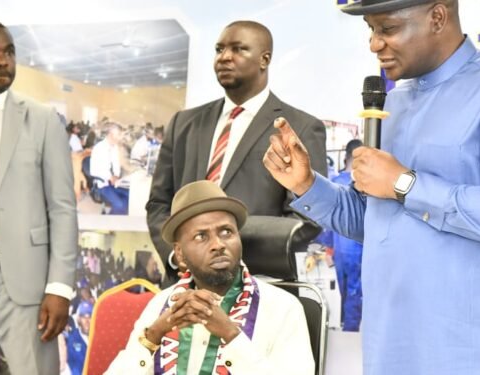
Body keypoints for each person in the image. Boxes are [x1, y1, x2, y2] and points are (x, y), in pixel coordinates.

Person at [263, 1, 480, 373]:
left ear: (438, 17)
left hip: (472, 353)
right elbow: (379, 221)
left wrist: (405, 184)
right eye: (370, 30)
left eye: (387, 29)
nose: (374, 44)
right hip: (392, 344)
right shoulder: (397, 100)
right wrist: (306, 184)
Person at [147, 20, 327, 285]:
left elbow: (307, 216)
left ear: (264, 59)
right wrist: (179, 255)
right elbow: (159, 204)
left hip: (259, 287)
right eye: (219, 50)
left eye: (238, 49)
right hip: (183, 285)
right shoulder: (183, 124)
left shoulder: (299, 127)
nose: (224, 58)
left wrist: (220, 254)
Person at [108, 180, 313, 374]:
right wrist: (154, 335)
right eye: (201, 236)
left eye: (226, 232)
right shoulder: (160, 305)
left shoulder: (282, 308)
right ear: (179, 253)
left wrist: (231, 335)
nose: (218, 244)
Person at [0, 17, 78, 375]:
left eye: (9, 52)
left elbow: (63, 209)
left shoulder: (41, 119)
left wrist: (59, 287)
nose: (2, 60)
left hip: (26, 286)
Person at [319, 139, 364, 332]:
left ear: (345, 157)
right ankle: (351, 331)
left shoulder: (334, 183)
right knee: (355, 292)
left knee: (338, 291)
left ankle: (340, 324)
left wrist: (327, 247)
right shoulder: (364, 185)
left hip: (337, 249)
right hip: (359, 249)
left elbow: (326, 221)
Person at [90, 122, 130, 215]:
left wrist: (116, 175)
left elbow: (116, 164)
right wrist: (111, 177)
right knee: (120, 204)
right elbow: (98, 170)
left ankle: (116, 219)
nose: (121, 137)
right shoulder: (99, 148)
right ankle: (109, 225)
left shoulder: (114, 147)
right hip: (102, 184)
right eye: (119, 134)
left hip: (112, 182)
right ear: (111, 135)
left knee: (129, 197)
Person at [63, 301, 92, 375]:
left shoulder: (100, 339)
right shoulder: (71, 340)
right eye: (83, 317)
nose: (87, 321)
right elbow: (73, 367)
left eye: (90, 317)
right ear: (78, 319)